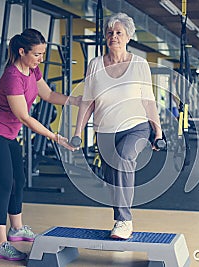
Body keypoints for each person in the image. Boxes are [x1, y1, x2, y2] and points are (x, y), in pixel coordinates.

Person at [0, 28, 81, 261]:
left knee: (19, 181)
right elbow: (25, 117)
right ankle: (0, 244)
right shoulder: (12, 77)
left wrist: (76, 101)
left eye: (43, 54)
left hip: (9, 136)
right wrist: (55, 137)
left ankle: (16, 229)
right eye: (37, 54)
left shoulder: (33, 70)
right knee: (4, 185)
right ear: (22, 51)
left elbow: (49, 95)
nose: (40, 59)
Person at [71, 13, 163, 240]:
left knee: (123, 158)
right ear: (105, 36)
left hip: (136, 127)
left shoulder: (139, 64)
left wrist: (157, 130)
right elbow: (87, 102)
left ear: (129, 36)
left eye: (119, 32)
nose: (114, 36)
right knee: (112, 177)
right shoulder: (95, 65)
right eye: (110, 32)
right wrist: (77, 133)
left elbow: (148, 101)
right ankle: (120, 217)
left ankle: (124, 221)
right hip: (104, 131)